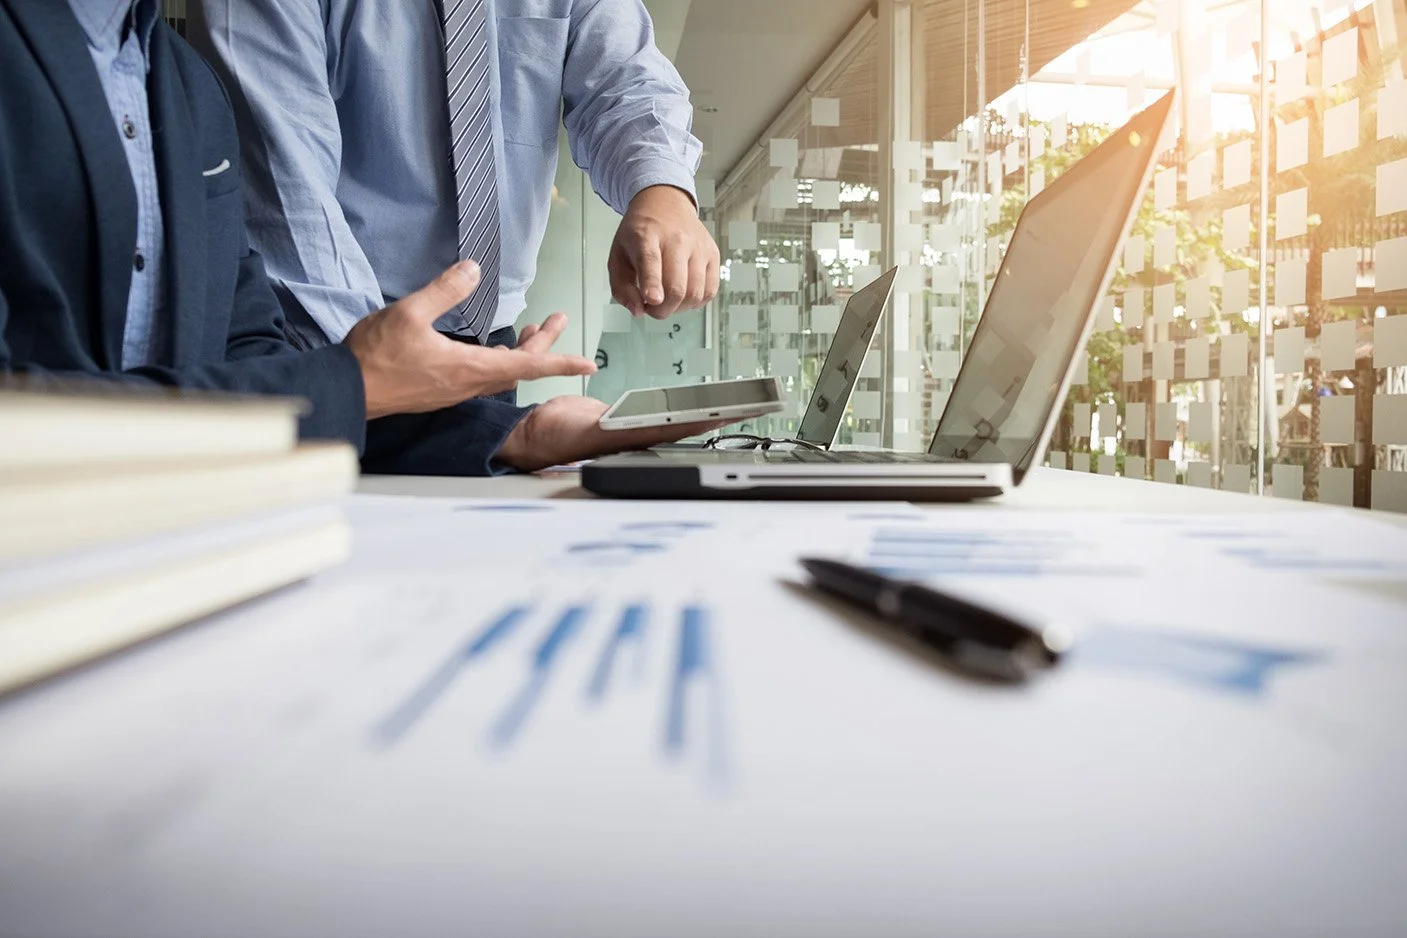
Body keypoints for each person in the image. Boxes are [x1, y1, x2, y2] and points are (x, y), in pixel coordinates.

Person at [0, 0, 718, 475]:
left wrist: (504, 432)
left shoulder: (172, 80)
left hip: (404, 380)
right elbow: (290, 200)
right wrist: (370, 378)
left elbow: (625, 77)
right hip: (332, 332)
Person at [186, 0, 719, 382]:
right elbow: (283, 182)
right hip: (327, 344)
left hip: (490, 351)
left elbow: (624, 80)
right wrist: (366, 369)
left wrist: (662, 190)